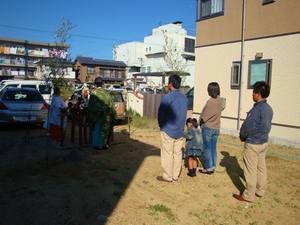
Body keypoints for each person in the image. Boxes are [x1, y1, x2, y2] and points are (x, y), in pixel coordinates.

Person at [233, 81, 273, 202]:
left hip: (253, 143)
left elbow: (248, 126)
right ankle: (260, 190)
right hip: (264, 142)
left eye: (254, 92)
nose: (252, 95)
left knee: (250, 170)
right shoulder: (268, 108)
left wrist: (242, 135)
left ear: (258, 93)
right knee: (261, 168)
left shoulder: (256, 110)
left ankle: (248, 195)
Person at [156, 74, 188, 182]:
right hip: (180, 130)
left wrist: (161, 125)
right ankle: (175, 175)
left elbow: (161, 114)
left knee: (167, 153)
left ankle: (167, 176)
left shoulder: (167, 97)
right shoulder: (184, 98)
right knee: (178, 154)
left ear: (170, 84)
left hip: (168, 130)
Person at [86, 77, 117, 150]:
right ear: (102, 85)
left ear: (95, 85)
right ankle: (105, 144)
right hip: (108, 116)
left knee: (98, 130)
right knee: (106, 130)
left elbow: (92, 106)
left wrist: (91, 115)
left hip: (99, 116)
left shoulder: (94, 93)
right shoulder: (107, 93)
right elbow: (112, 105)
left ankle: (98, 145)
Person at [199, 82, 223, 175]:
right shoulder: (220, 101)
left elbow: (205, 115)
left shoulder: (210, 101)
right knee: (213, 148)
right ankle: (213, 166)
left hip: (208, 127)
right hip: (216, 128)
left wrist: (200, 121)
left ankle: (208, 168)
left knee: (207, 149)